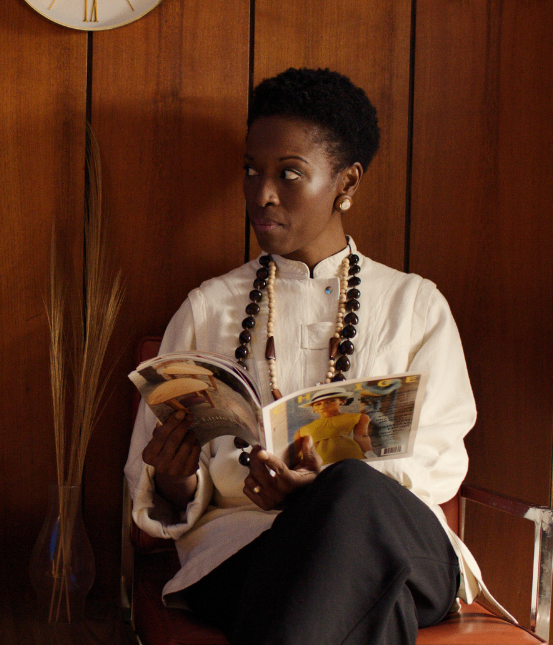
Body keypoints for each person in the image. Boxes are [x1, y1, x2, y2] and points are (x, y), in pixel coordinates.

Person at [124, 68, 503, 645]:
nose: (262, 193)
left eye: (289, 174)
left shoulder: (414, 305)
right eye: (251, 170)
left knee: (350, 496)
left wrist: (319, 489)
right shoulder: (208, 308)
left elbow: (439, 461)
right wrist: (175, 480)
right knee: (369, 594)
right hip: (249, 550)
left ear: (347, 182)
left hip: (396, 538)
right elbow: (152, 483)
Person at [294, 388, 372, 464]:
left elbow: (361, 437)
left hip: (352, 459)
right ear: (313, 408)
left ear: (342, 401)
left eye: (330, 401)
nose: (323, 406)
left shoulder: (356, 417)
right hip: (321, 466)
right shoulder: (303, 429)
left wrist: (370, 454)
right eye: (318, 404)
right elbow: (299, 453)